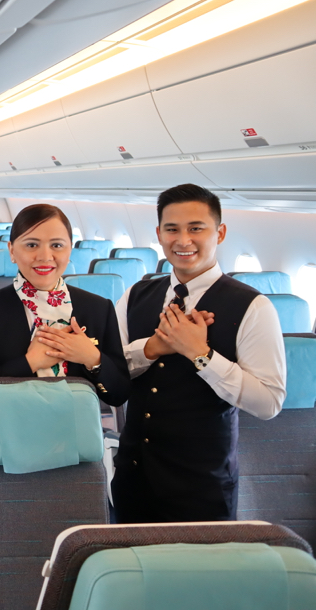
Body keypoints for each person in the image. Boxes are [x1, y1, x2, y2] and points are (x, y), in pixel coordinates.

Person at [113, 183, 286, 523]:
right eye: (172, 229)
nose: (183, 240)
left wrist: (201, 354)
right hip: (134, 476)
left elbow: (269, 402)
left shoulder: (254, 307)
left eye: (196, 228)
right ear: (159, 234)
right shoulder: (135, 294)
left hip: (202, 485)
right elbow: (112, 373)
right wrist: (152, 348)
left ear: (219, 233)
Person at [0, 204, 130, 407]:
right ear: (12, 251)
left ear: (70, 249)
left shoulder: (98, 309)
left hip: (78, 430)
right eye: (32, 245)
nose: (45, 256)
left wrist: (93, 358)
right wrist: (29, 362)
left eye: (57, 245)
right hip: (7, 430)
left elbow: (119, 395)